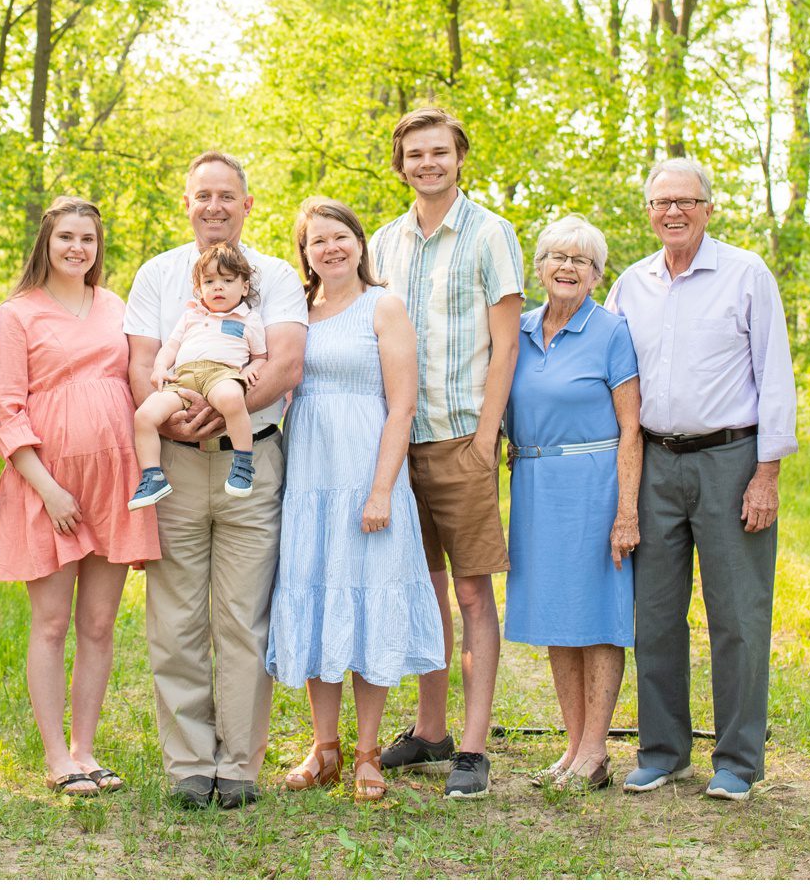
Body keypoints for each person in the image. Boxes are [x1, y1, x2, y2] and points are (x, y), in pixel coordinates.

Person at [124, 151, 307, 810]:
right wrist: (182, 424)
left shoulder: (277, 276)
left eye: (227, 196)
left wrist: (223, 411)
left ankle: (238, 763)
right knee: (174, 619)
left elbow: (284, 364)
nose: (214, 207)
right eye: (203, 195)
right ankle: (188, 764)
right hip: (171, 463)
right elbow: (141, 363)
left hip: (249, 460)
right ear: (187, 203)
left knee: (241, 619)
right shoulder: (157, 274)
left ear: (247, 205)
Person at [607, 157, 794, 802]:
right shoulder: (631, 285)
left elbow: (775, 377)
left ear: (708, 208)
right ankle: (663, 750)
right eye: (662, 203)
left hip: (730, 460)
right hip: (654, 462)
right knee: (653, 614)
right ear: (649, 212)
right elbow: (611, 378)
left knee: (737, 615)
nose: (673, 212)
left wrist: (766, 474)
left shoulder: (745, 274)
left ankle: (738, 760)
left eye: (686, 201)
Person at [368, 107, 524, 799]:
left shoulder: (492, 235)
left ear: (460, 158)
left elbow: (507, 343)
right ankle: (430, 729)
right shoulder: (382, 244)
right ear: (400, 165)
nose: (427, 163)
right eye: (415, 155)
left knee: (470, 590)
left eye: (440, 152)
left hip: (463, 435)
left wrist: (488, 435)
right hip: (400, 445)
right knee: (422, 589)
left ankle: (472, 746)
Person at [267, 198, 443, 803]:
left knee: (367, 605)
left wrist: (381, 490)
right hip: (309, 479)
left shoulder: (383, 305)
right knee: (317, 601)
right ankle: (325, 748)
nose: (331, 249)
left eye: (340, 237)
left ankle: (368, 751)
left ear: (360, 243)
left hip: (368, 477)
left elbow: (402, 405)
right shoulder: (298, 312)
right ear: (305, 253)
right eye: (318, 241)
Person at [0, 196, 159, 797]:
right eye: (66, 237)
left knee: (100, 622)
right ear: (46, 243)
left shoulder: (115, 306)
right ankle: (57, 756)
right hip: (49, 486)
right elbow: (4, 410)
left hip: (114, 481)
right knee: (53, 621)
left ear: (97, 246)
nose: (77, 248)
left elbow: (140, 383)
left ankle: (86, 748)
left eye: (87, 238)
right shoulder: (17, 314)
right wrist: (49, 489)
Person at [503, 215, 641, 791]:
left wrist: (627, 511)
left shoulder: (611, 331)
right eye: (558, 257)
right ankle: (572, 746)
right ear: (539, 268)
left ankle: (596, 751)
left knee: (599, 617)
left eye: (580, 261)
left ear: (596, 274)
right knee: (560, 617)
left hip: (595, 486)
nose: (567, 268)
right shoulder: (521, 329)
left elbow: (631, 428)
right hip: (536, 485)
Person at [129, 243, 270, 508]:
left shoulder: (248, 319)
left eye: (227, 280)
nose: (218, 287)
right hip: (183, 378)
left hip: (222, 375)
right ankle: (152, 476)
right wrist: (160, 368)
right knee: (144, 416)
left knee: (231, 399)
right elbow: (170, 346)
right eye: (210, 281)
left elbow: (260, 356)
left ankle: (242, 465)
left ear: (244, 287)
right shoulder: (191, 316)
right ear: (199, 288)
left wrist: (252, 368)